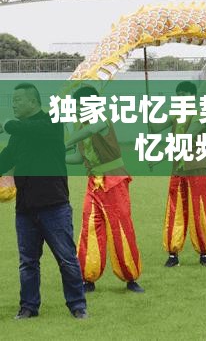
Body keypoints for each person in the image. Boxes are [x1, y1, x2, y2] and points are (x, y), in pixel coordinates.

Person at [0, 83, 87, 319]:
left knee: (66, 258)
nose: (14, 104)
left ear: (33, 101)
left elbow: (26, 129)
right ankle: (28, 307)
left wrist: (7, 125)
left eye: (18, 100)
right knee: (28, 262)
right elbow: (5, 159)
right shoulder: (19, 134)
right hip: (25, 208)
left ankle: (78, 306)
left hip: (54, 205)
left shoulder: (51, 122)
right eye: (12, 101)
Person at [66, 86, 143, 293]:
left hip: (114, 181)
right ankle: (87, 278)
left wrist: (64, 142)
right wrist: (56, 156)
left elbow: (89, 131)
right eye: (76, 106)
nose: (78, 110)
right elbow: (79, 158)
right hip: (94, 182)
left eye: (81, 106)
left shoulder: (101, 120)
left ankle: (130, 277)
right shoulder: (81, 126)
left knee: (120, 228)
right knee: (90, 227)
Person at [150, 81, 206, 267]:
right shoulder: (176, 113)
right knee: (175, 209)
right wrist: (150, 112)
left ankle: (203, 253)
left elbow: (186, 138)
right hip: (178, 169)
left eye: (185, 95)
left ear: (193, 96)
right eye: (179, 95)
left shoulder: (200, 114)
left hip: (196, 168)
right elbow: (156, 128)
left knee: (199, 209)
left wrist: (160, 156)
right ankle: (173, 254)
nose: (181, 98)